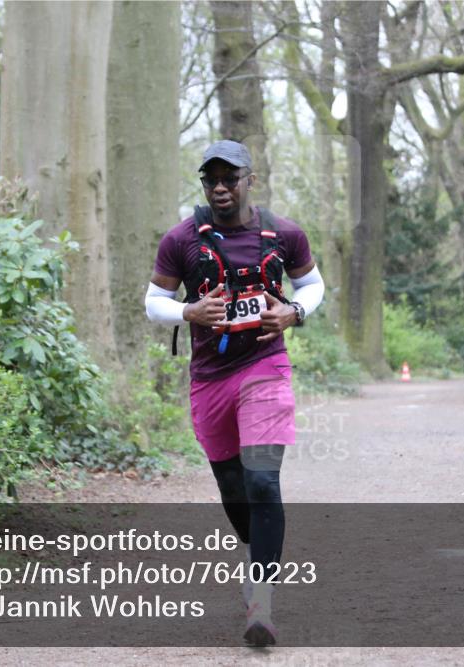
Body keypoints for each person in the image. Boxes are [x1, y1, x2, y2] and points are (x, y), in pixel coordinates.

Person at [144, 140, 325, 646]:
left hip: (265, 369)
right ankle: (254, 551)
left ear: (251, 180)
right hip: (210, 379)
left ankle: (260, 602)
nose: (220, 188)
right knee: (233, 487)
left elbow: (312, 286)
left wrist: (294, 312)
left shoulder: (285, 233)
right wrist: (188, 311)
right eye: (212, 180)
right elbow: (154, 301)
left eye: (230, 178)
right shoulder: (181, 239)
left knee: (263, 481)